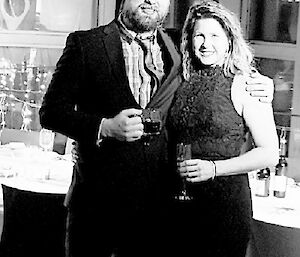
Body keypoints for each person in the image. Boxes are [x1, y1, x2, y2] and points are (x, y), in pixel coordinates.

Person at [39, 0, 274, 256]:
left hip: (158, 212)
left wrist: (261, 83)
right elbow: (51, 112)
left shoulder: (177, 45)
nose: (151, 0)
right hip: (98, 206)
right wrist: (104, 127)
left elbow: (223, 64)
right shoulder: (86, 44)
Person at [167, 1, 279, 257]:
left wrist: (214, 169)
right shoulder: (182, 78)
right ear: (189, 40)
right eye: (200, 36)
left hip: (224, 206)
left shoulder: (247, 84)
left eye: (215, 35)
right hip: (177, 204)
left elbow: (269, 153)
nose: (206, 44)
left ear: (229, 40)